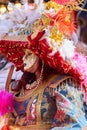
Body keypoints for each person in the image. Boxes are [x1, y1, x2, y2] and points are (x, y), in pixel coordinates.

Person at [0, 0, 87, 130]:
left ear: (42, 54)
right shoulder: (23, 85)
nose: (24, 59)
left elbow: (73, 125)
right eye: (22, 54)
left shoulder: (63, 84)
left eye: (29, 54)